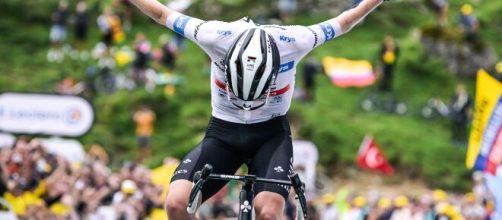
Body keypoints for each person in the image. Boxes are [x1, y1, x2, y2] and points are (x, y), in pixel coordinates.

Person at [129, 0, 387, 218]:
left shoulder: (295, 41)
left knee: (268, 212)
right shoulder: (213, 35)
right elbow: (162, 13)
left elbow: (345, 21)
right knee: (176, 204)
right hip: (223, 133)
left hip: (270, 135)